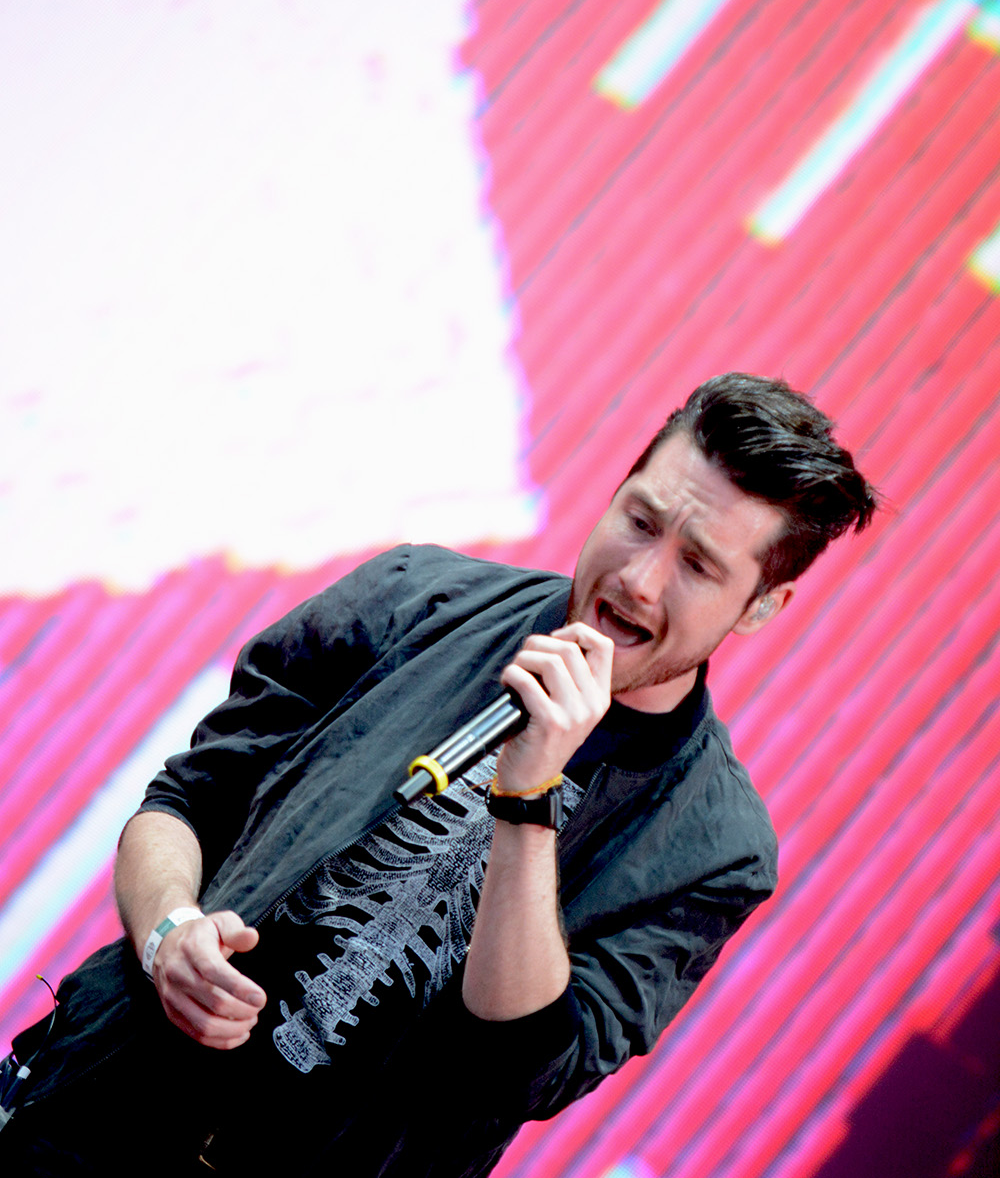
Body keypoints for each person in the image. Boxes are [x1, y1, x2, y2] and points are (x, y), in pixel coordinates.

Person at [1, 374, 877, 1177]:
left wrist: (526, 802)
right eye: (641, 521)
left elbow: (520, 1068)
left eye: (698, 565)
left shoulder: (715, 849)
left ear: (761, 606)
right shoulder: (415, 594)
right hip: (88, 1110)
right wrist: (168, 931)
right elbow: (187, 799)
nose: (640, 580)